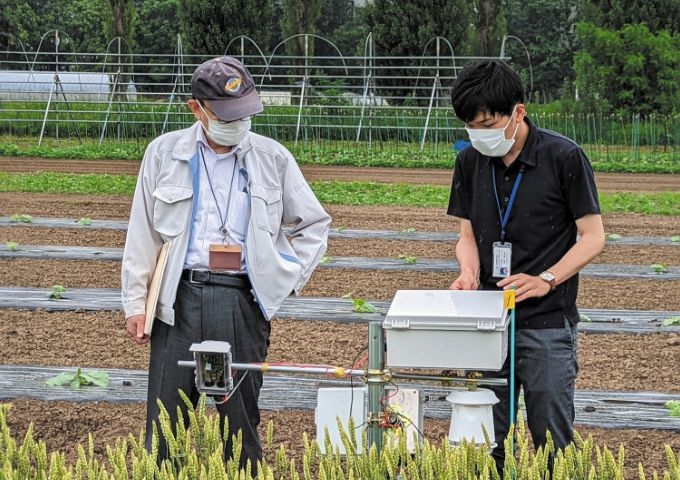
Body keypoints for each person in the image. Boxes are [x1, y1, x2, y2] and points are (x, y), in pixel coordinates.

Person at [121, 56, 331, 474]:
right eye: (226, 116)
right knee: (166, 429)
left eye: (244, 114)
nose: (237, 124)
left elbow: (314, 224)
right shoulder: (164, 154)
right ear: (196, 109)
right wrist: (135, 302)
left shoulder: (273, 159)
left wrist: (282, 276)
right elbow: (142, 231)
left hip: (240, 302)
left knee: (240, 429)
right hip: (177, 302)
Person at [447, 59, 605, 473]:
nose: (479, 135)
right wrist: (468, 272)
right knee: (482, 437)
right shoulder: (469, 162)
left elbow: (593, 236)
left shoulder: (563, 157)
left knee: (551, 437)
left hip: (547, 323)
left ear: (519, 111)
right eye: (471, 126)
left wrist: (547, 280)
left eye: (487, 124)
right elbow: (467, 236)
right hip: (487, 320)